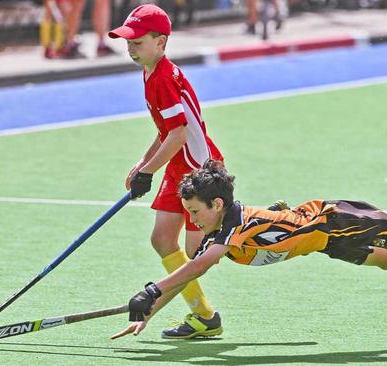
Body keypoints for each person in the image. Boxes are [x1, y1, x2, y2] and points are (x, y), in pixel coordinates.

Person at [113, 160, 387, 338]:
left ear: (216, 204)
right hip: (325, 243)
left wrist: (151, 290)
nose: (192, 221)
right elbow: (189, 273)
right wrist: (150, 309)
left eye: (194, 212)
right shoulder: (217, 232)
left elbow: (198, 268)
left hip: (337, 221)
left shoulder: (236, 226)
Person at [108, 4, 225, 339]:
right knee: (162, 239)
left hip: (198, 173)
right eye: (128, 42)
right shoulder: (151, 73)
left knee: (196, 253)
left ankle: (259, 239)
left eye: (138, 42)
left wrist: (148, 172)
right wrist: (143, 165)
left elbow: (177, 135)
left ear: (161, 43)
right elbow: (167, 129)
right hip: (177, 167)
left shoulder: (161, 78)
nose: (131, 47)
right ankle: (204, 316)